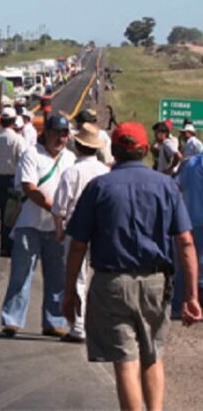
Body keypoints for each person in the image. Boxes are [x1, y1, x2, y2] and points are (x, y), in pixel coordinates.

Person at [64, 122, 202, 411]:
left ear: (113, 150)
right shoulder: (166, 186)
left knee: (125, 360)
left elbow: (77, 245)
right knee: (153, 353)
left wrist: (69, 291)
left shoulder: (99, 187)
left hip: (112, 283)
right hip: (156, 282)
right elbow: (186, 242)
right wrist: (191, 295)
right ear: (145, 150)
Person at [0, 114, 75, 337]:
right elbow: (29, 187)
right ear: (46, 133)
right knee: (21, 274)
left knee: (58, 277)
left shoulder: (70, 158)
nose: (60, 139)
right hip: (29, 224)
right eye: (56, 133)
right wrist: (54, 208)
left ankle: (54, 322)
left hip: (58, 228)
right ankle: (12, 320)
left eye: (64, 134)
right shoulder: (32, 154)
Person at [50, 122, 109, 343]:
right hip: (102, 230)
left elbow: (59, 208)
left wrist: (59, 231)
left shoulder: (72, 172)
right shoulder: (104, 171)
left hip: (76, 229)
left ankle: (79, 325)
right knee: (100, 277)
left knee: (77, 278)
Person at [0, 107, 27, 257]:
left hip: (0, 178)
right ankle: (14, 245)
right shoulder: (17, 139)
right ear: (14, 121)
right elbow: (23, 160)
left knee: (5, 213)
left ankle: (5, 246)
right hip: (14, 178)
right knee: (16, 214)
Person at [174, 140, 203, 320]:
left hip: (190, 219)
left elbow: (178, 185)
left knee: (187, 264)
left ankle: (179, 304)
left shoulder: (192, 163)